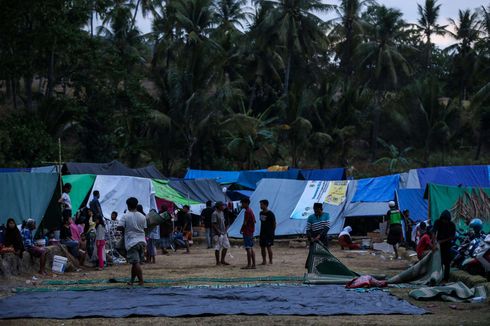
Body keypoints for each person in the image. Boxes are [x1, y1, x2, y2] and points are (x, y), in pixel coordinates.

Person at [119, 197, 147, 286]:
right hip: (142, 241)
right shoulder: (142, 216)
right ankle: (132, 280)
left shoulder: (125, 216)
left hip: (131, 242)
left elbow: (119, 227)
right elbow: (145, 228)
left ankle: (141, 281)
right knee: (135, 263)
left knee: (135, 262)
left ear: (128, 206)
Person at [433, 210, 456, 282]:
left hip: (447, 246)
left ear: (448, 219)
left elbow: (451, 237)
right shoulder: (437, 222)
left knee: (447, 263)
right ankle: (438, 277)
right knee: (439, 262)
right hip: (438, 246)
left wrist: (441, 241)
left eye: (446, 220)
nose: (444, 221)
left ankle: (446, 278)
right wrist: (434, 243)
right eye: (443, 219)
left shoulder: (452, 225)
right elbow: (433, 232)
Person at [212, 201, 230, 266]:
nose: (223, 207)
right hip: (218, 233)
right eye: (222, 206)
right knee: (218, 247)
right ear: (219, 206)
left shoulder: (222, 212)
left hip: (223, 232)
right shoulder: (215, 213)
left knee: (226, 245)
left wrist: (225, 231)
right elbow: (214, 224)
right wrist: (218, 232)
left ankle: (222, 260)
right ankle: (217, 262)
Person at [240, 198, 256, 269]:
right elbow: (254, 221)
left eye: (242, 203)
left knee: (248, 248)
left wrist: (242, 229)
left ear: (246, 203)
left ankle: (249, 264)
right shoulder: (250, 210)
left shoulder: (247, 212)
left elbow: (245, 222)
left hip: (247, 231)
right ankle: (253, 264)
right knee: (251, 247)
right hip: (251, 231)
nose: (242, 205)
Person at [259, 199, 276, 265]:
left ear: (265, 205)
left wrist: (272, 232)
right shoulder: (261, 213)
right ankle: (264, 261)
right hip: (262, 233)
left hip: (269, 233)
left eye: (261, 204)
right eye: (260, 204)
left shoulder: (270, 214)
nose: (260, 206)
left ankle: (270, 261)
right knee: (262, 247)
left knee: (268, 247)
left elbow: (274, 223)